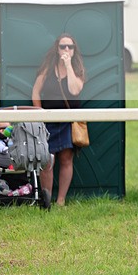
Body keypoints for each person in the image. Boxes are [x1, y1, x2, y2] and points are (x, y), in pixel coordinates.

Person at [32, 33, 85, 206]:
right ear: (57, 48)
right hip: (47, 121)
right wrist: (39, 113)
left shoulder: (77, 70)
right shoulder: (48, 68)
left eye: (70, 47)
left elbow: (74, 90)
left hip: (68, 121)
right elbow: (35, 91)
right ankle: (46, 199)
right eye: (63, 46)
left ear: (74, 50)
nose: (66, 50)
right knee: (47, 161)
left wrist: (68, 65)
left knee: (66, 159)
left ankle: (61, 200)